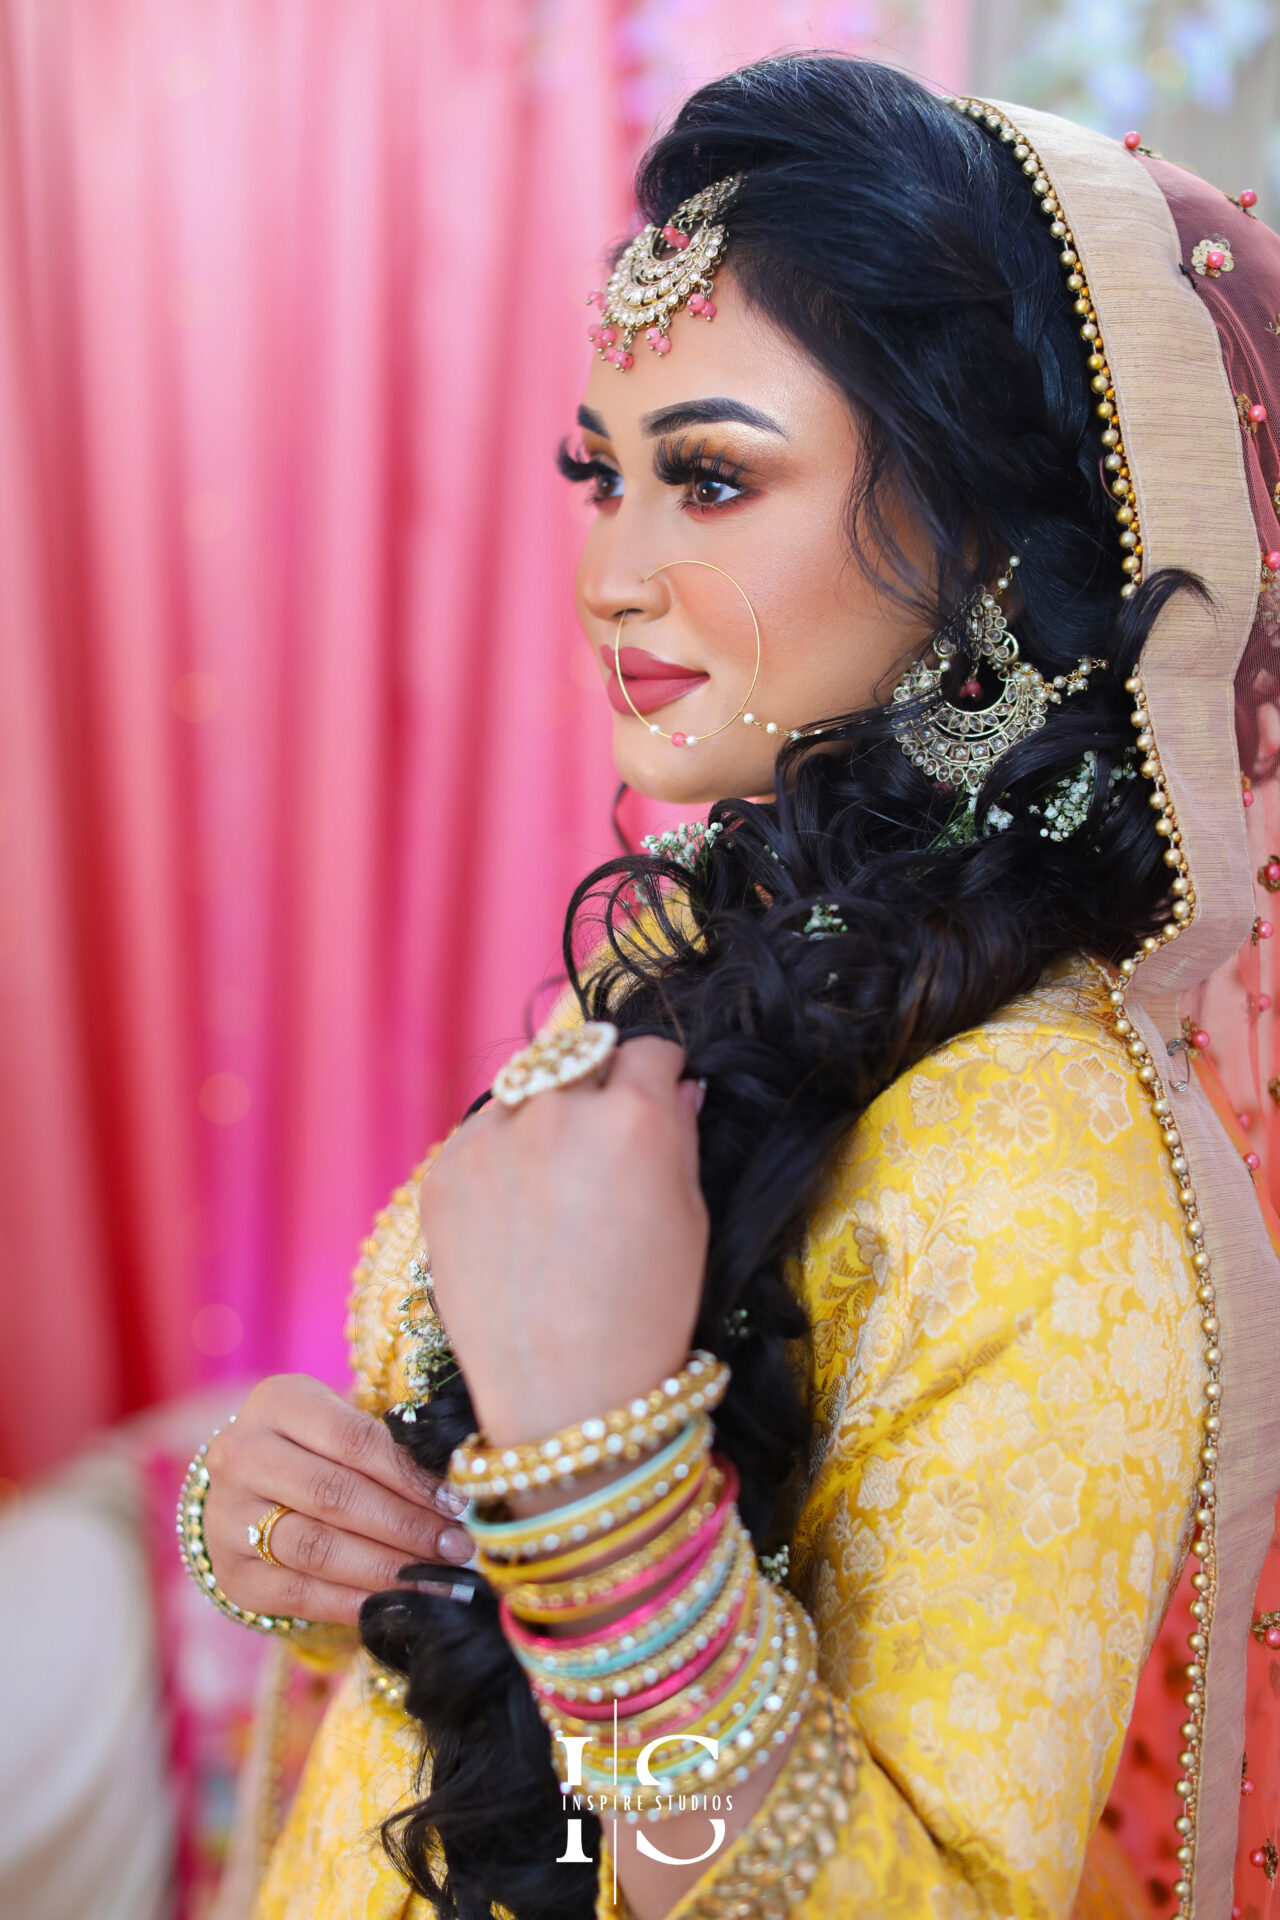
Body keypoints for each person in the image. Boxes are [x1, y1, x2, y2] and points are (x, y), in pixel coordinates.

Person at [175, 53, 1280, 1920]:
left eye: (710, 477)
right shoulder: (716, 959)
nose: (613, 574)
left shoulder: (1037, 1163)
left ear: (993, 541)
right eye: (603, 478)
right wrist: (321, 1518)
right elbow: (483, 1675)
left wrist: (612, 1532)